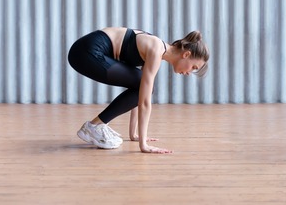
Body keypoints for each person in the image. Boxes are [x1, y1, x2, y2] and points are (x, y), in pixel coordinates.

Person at [67, 27, 210, 153]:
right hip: (86, 52)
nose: (189, 72)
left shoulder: (156, 48)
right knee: (147, 87)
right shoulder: (155, 49)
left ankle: (96, 125)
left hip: (84, 51)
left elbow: (139, 91)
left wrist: (134, 134)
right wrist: (144, 145)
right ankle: (94, 126)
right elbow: (145, 102)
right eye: (193, 67)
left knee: (140, 84)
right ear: (186, 55)